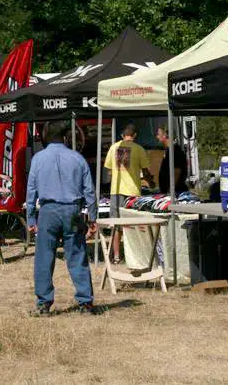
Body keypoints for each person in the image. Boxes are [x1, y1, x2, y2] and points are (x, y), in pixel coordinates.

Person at [26, 121, 97, 316]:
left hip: (48, 211)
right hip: (72, 210)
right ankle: (85, 303)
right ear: (66, 137)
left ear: (45, 137)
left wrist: (31, 218)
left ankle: (43, 304)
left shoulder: (38, 159)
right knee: (77, 255)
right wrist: (93, 217)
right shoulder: (77, 158)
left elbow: (31, 191)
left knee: (44, 258)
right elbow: (89, 190)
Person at [104, 124, 154, 264]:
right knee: (135, 225)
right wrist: (151, 182)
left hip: (116, 191)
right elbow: (146, 172)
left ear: (122, 135)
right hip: (133, 193)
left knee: (116, 225)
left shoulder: (114, 147)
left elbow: (108, 171)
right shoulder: (139, 149)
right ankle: (135, 256)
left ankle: (116, 256)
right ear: (135, 135)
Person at [155, 125, 188, 194]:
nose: (157, 137)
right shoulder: (169, 150)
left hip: (175, 192)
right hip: (169, 191)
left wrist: (171, 190)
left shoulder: (175, 150)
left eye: (158, 134)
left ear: (165, 135)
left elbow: (177, 171)